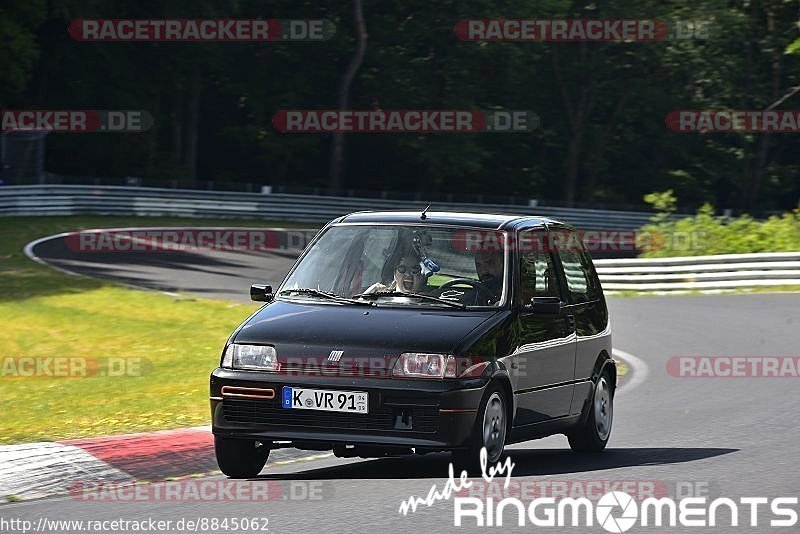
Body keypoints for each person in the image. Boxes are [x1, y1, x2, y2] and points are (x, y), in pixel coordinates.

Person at [363, 255, 429, 294]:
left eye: (414, 270)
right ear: (394, 273)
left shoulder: (432, 304)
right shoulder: (379, 300)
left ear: (421, 276)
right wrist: (369, 292)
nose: (408, 274)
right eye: (402, 269)